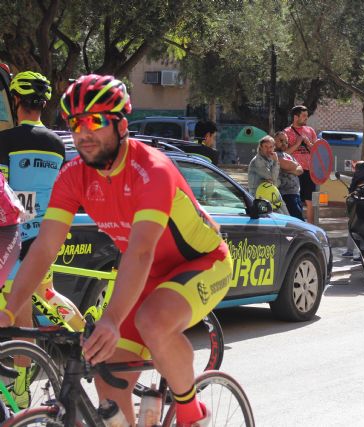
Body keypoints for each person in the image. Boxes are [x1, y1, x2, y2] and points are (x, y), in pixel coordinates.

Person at [0, 74, 232, 426]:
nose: (83, 133)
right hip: (146, 277)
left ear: (121, 125)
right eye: (75, 123)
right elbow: (44, 248)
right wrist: (8, 310)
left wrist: (110, 320)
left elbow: (140, 252)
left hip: (202, 262)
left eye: (94, 121)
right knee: (108, 377)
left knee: (153, 321)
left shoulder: (152, 169)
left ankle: (191, 413)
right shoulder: (73, 175)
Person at [0, 70, 71, 408]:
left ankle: (20, 392)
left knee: (19, 314)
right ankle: (84, 337)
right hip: (45, 236)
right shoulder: (58, 144)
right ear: (43, 104)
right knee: (45, 295)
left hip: (13, 236)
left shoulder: (5, 141)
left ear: (15, 101)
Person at [284, 105, 317, 223]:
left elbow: (317, 152)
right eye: (303, 116)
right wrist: (297, 144)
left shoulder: (310, 131)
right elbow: (284, 153)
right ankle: (296, 225)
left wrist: (308, 144)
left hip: (308, 171)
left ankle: (311, 227)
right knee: (295, 199)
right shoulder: (286, 132)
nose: (306, 118)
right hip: (293, 171)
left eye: (307, 116)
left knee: (310, 201)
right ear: (295, 117)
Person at [248, 135, 288, 214]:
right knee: (274, 216)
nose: (268, 149)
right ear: (261, 147)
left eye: (271, 147)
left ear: (274, 147)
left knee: (287, 216)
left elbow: (275, 180)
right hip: (259, 195)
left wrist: (274, 180)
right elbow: (273, 177)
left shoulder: (270, 158)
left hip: (271, 191)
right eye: (266, 146)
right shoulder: (257, 161)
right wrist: (276, 162)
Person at [274, 131, 304, 220]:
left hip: (296, 194)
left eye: (286, 142)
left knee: (298, 220)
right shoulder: (274, 155)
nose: (284, 143)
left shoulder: (289, 156)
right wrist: (294, 168)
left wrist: (291, 169)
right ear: (274, 141)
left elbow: (300, 170)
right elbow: (286, 165)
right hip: (285, 195)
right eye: (281, 140)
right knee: (297, 221)